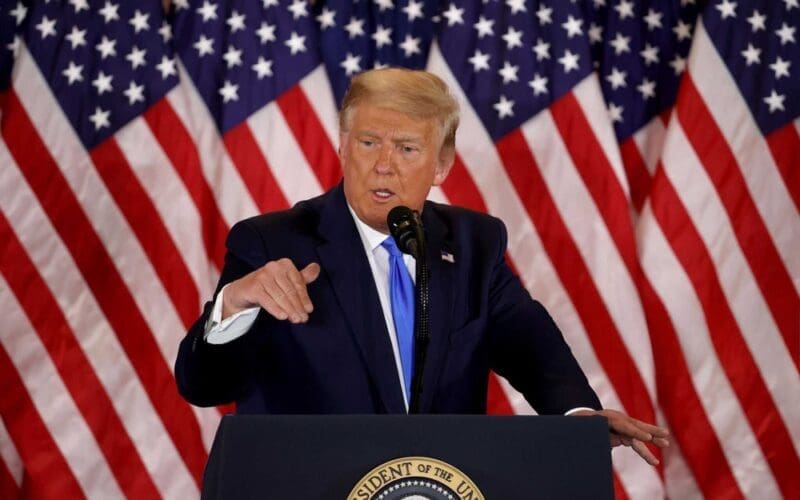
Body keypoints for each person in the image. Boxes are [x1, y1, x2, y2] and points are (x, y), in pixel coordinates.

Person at [175, 68, 669, 465]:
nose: (383, 164)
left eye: (407, 148)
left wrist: (578, 418)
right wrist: (233, 305)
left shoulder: (474, 242)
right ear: (344, 147)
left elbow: (530, 348)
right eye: (368, 143)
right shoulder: (272, 242)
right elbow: (204, 386)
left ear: (441, 165)